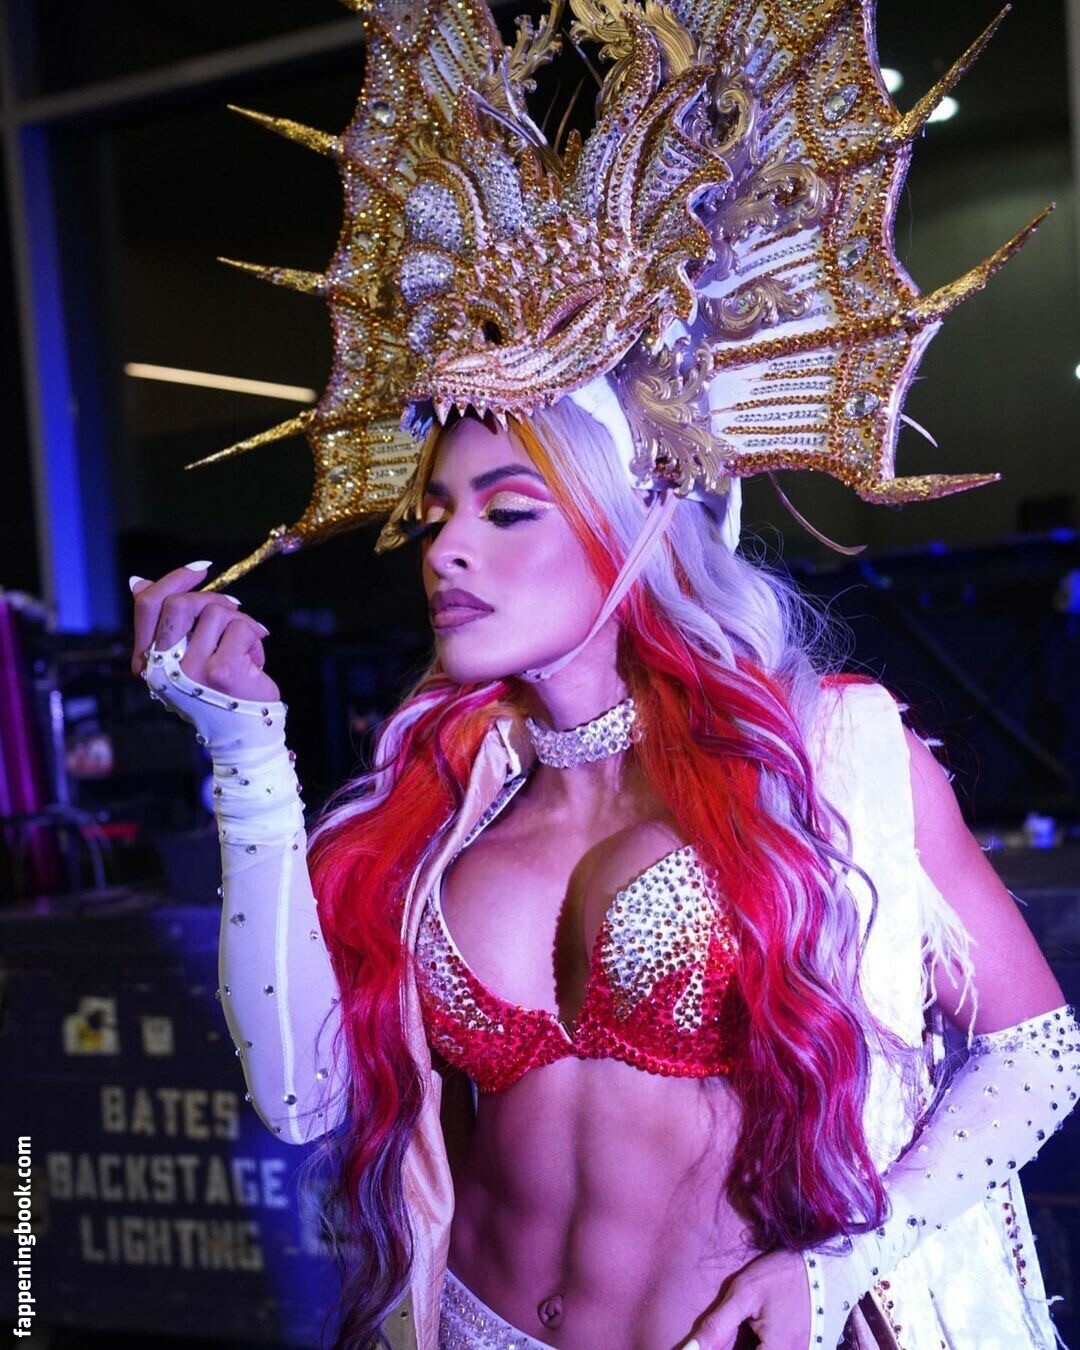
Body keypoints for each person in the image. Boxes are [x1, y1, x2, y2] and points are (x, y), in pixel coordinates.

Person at [130, 2, 1075, 1346]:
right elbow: (299, 1101)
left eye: (508, 510)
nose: (448, 550)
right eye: (436, 515)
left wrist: (842, 1264)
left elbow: (1038, 1052)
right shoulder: (447, 804)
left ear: (636, 526)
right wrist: (244, 757)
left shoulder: (823, 753)